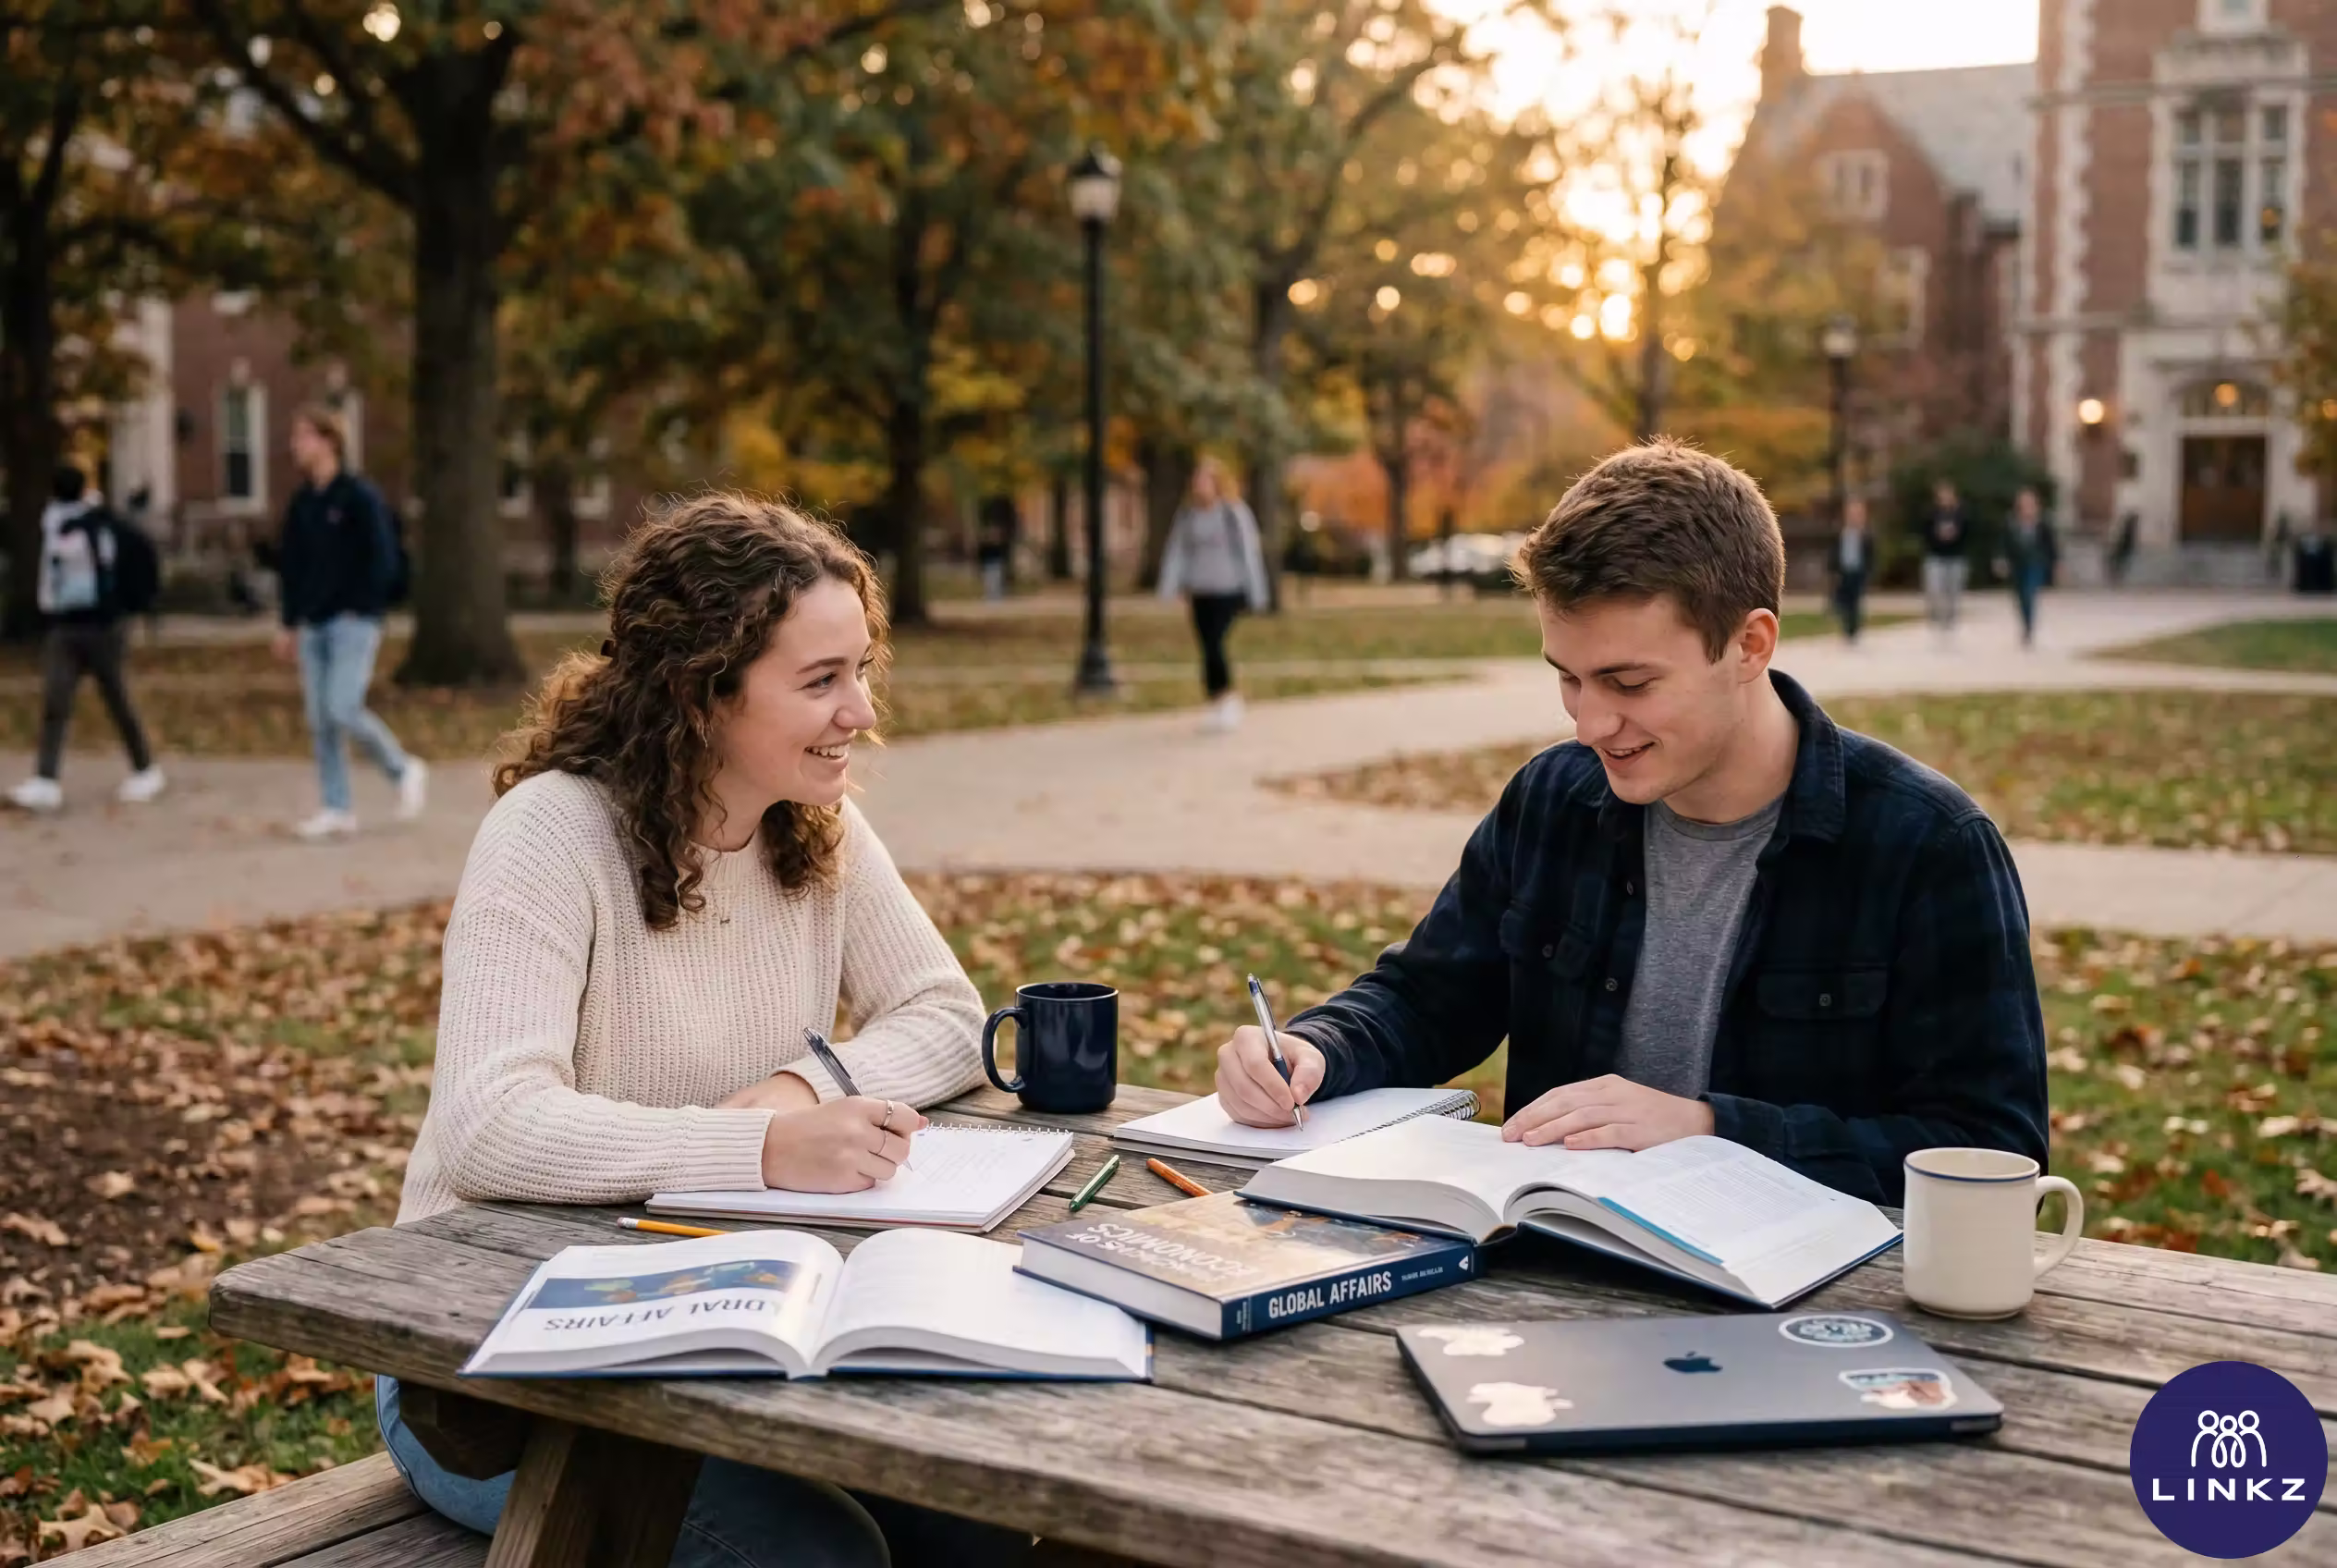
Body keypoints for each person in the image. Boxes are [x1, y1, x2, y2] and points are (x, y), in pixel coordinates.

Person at [381, 492, 1030, 1565]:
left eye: (860, 668)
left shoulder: (813, 820)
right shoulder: (548, 834)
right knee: (823, 1558)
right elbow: (489, 1125)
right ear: (700, 694)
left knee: (979, 1517)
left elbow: (947, 1016)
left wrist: (797, 1088)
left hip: (713, 1325)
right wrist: (756, 1148)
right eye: (820, 680)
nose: (859, 712)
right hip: (486, 1365)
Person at [1211, 439, 2049, 1206]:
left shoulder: (1927, 847)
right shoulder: (1554, 798)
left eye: (1630, 683)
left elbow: (1992, 1147)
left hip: (1819, 1324)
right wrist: (1316, 1049)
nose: (1590, 724)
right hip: (1552, 1285)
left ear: (1751, 645)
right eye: (1568, 678)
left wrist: (1715, 1134)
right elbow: (1430, 997)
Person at [273, 405, 426, 839]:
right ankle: (337, 807)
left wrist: (367, 605)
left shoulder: (360, 496)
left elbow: (384, 558)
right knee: (321, 720)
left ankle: (403, 769)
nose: (295, 446)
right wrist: (288, 624)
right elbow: (293, 568)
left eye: (303, 436)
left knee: (343, 707)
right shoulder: (302, 504)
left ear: (329, 441)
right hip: (313, 625)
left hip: (354, 622)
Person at [6, 465, 166, 813]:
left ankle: (145, 768)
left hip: (101, 626)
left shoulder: (95, 523)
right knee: (56, 698)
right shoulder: (59, 521)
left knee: (115, 697)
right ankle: (46, 779)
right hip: (67, 625)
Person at [1157, 458, 1270, 731]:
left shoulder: (1233, 513)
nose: (1200, 485)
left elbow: (1248, 553)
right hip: (1199, 590)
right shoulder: (1188, 515)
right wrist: (1170, 587)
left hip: (1228, 590)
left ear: (1217, 484)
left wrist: (1257, 593)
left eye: (1206, 480)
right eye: (1197, 480)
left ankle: (1229, 699)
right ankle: (1217, 700)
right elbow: (1178, 553)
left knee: (1215, 644)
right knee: (1206, 647)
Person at [2001, 488, 2058, 648]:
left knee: (2029, 593)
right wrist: (2001, 560)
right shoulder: (2011, 522)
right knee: (2019, 597)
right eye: (2023, 503)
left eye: (2029, 502)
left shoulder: (2042, 522)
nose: (2027, 506)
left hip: (2036, 563)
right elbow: (2004, 543)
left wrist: (2056, 564)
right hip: (2017, 564)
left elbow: (2051, 545)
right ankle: (2025, 623)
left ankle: (2029, 629)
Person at [1919, 478, 1969, 634]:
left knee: (1953, 591)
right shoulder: (1931, 514)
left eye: (1948, 495)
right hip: (1936, 556)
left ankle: (1950, 617)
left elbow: (1968, 533)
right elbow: (1925, 534)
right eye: (1942, 495)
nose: (1945, 498)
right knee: (1934, 588)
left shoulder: (1961, 514)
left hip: (1955, 557)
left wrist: (1955, 534)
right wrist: (1937, 535)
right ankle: (1935, 614)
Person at [1829, 496, 1872, 643]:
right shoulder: (1841, 533)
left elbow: (1871, 555)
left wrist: (1869, 572)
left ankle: (1853, 630)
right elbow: (1834, 552)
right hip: (1844, 571)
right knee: (1843, 601)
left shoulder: (1865, 534)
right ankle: (1846, 627)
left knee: (1855, 602)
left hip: (1858, 571)